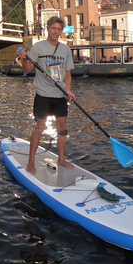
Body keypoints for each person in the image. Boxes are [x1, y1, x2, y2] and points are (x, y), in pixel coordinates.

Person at [23, 16, 76, 174]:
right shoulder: (38, 47)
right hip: (43, 94)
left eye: (59, 29)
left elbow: (68, 74)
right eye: (53, 28)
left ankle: (61, 158)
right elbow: (27, 70)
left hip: (60, 95)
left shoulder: (65, 49)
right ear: (48, 29)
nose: (56, 31)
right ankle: (31, 161)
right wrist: (23, 59)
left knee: (63, 127)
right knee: (39, 127)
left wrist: (68, 90)